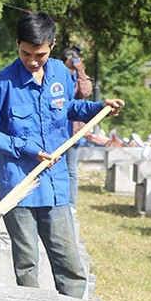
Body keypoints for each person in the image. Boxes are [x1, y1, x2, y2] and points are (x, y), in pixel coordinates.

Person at [0, 12, 123, 298]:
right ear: (17, 44)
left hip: (55, 185)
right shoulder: (3, 83)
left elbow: (70, 108)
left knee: (69, 263)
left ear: (52, 46)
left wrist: (99, 106)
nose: (31, 61)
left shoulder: (60, 74)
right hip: (19, 185)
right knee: (27, 265)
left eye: (39, 54)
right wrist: (25, 148)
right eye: (25, 53)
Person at [61, 46, 93, 215]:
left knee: (71, 169)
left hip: (74, 131)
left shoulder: (81, 77)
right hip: (59, 130)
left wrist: (80, 69)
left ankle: (71, 203)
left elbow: (86, 92)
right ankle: (59, 199)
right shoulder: (60, 74)